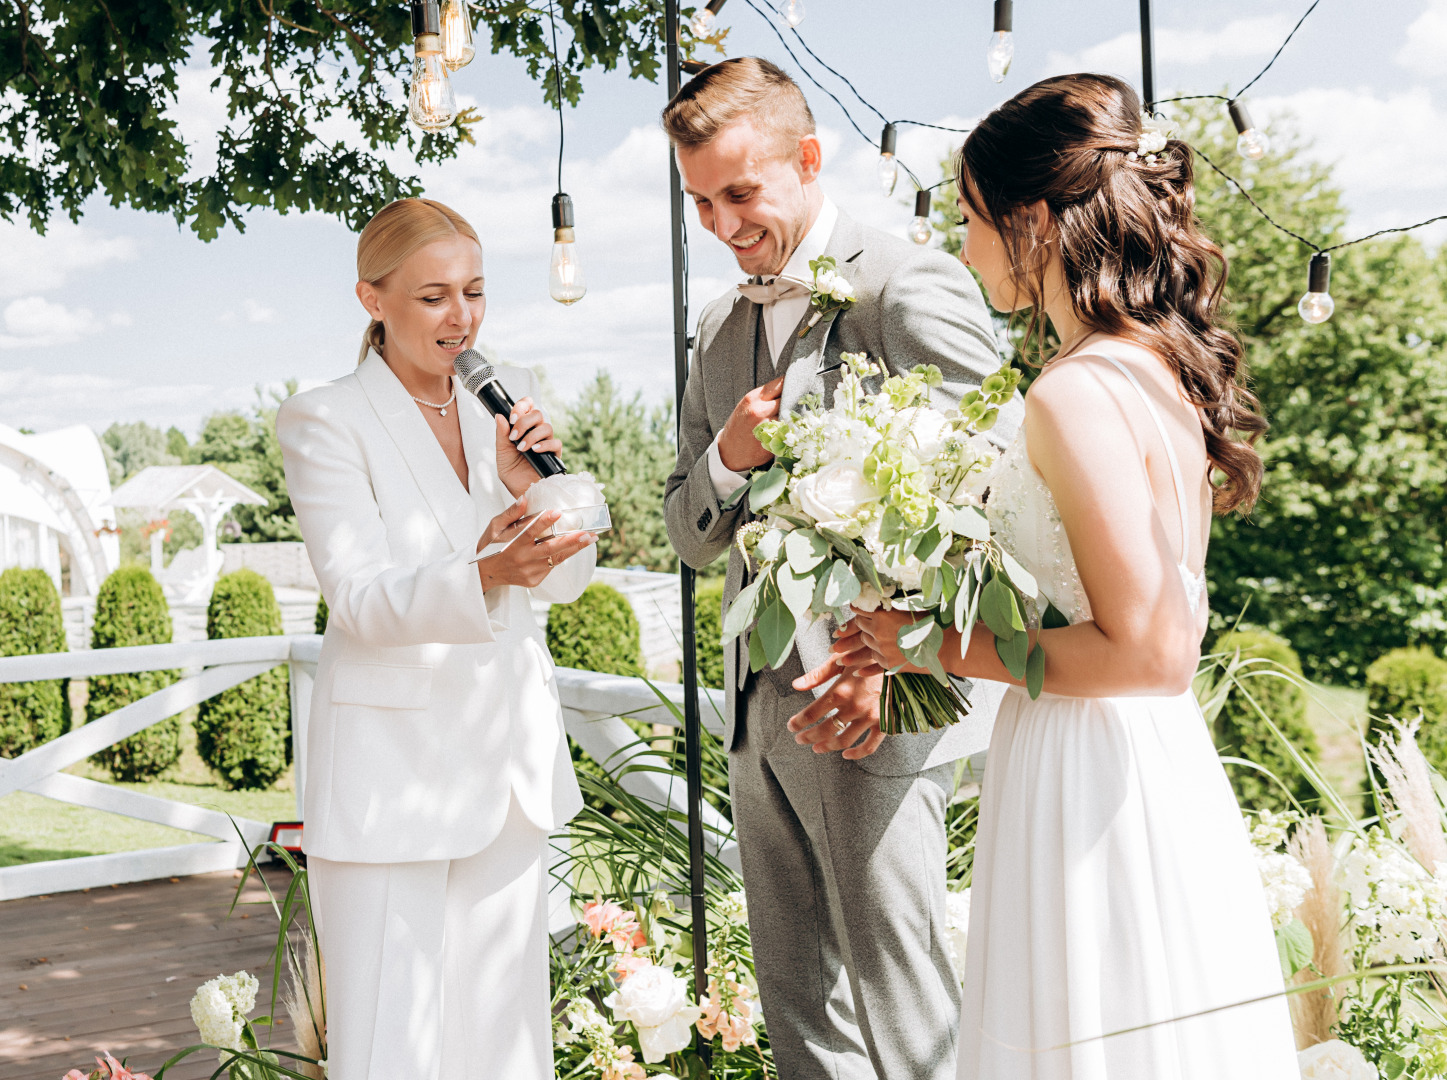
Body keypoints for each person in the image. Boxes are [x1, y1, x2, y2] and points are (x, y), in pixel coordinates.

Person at [823, 74, 1299, 1077]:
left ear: (1031, 219)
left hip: (1090, 771)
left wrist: (927, 643)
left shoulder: (1075, 392)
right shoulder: (1152, 366)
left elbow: (1151, 650)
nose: (960, 247)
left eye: (969, 219)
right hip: (1149, 758)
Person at [661, 58, 1021, 1079]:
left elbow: (998, 493)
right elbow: (690, 538)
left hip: (879, 700)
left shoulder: (906, 286)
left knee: (908, 1021)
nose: (723, 224)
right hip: (757, 713)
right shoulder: (718, 332)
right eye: (700, 202)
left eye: (741, 193)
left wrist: (898, 658)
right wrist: (730, 453)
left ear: (808, 159)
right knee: (799, 1022)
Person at [276, 197, 597, 1079]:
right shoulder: (324, 420)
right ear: (370, 300)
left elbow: (567, 577)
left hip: (509, 776)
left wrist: (536, 489)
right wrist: (486, 571)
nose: (462, 317)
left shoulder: (507, 399)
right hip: (392, 779)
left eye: (475, 291)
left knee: (505, 1041)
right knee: (392, 1047)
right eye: (432, 296)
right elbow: (361, 599)